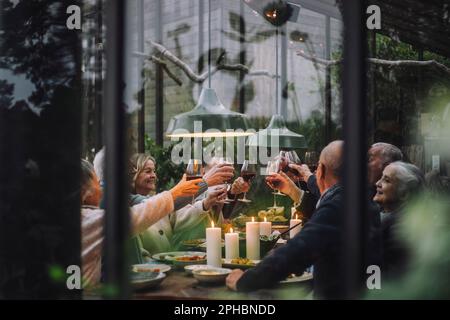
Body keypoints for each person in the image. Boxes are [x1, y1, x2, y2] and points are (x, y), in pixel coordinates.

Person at [227, 140, 379, 298]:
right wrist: (293, 190)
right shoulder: (358, 197)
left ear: (320, 170)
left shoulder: (341, 204)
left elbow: (296, 252)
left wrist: (244, 281)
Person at [80, 159, 202, 287]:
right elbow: (142, 212)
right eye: (97, 184)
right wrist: (192, 187)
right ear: (84, 191)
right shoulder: (92, 219)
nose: (100, 189)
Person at [129, 154, 250, 254]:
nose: (153, 175)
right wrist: (205, 185)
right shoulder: (134, 206)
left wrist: (229, 193)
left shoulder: (156, 200)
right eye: (148, 171)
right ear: (134, 175)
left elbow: (176, 214)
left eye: (154, 171)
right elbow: (179, 213)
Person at [373, 161, 424, 278]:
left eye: (386, 180)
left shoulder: (399, 231)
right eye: (381, 178)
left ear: (405, 193)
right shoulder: (385, 219)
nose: (377, 183)